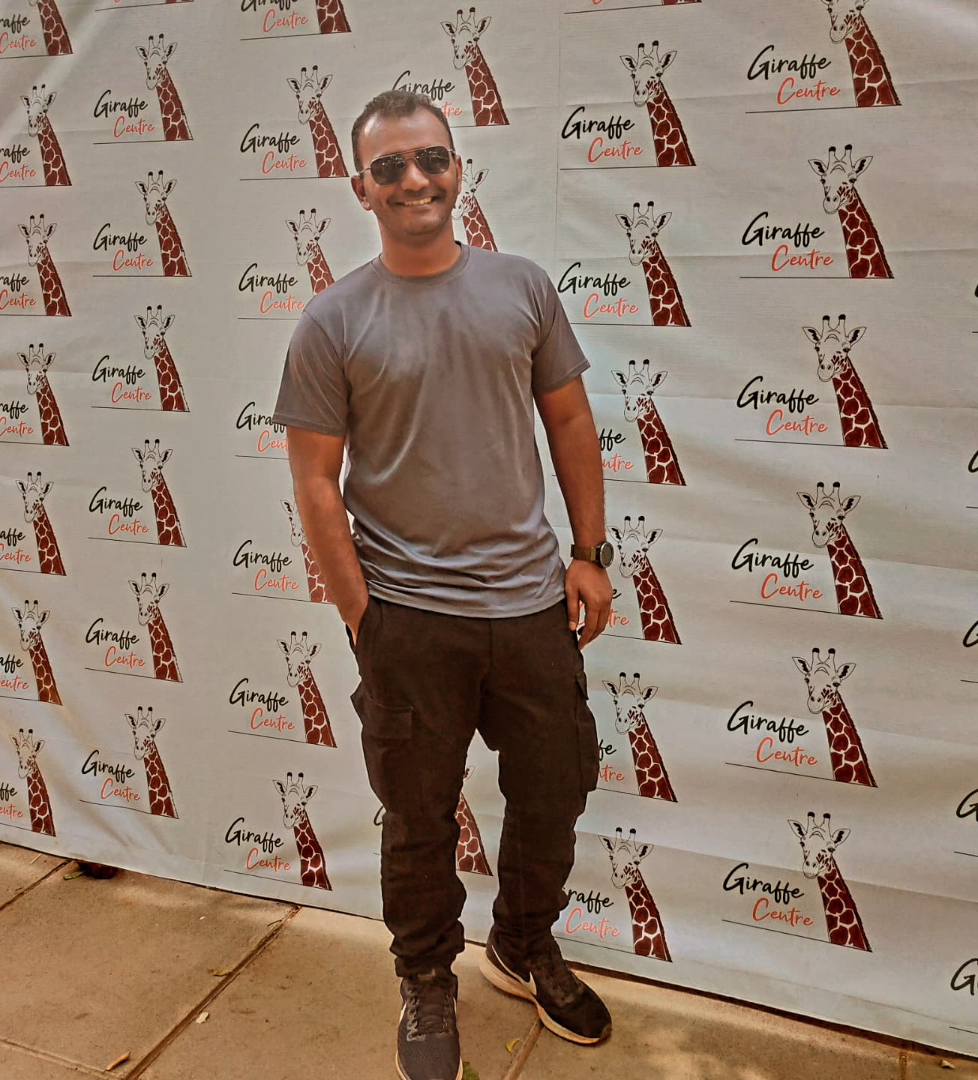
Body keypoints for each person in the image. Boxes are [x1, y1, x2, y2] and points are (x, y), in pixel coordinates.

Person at [273, 89, 616, 1080]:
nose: (414, 179)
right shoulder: (332, 319)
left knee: (555, 789)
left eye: (430, 158)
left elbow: (571, 423)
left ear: (459, 167)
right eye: (390, 167)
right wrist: (362, 617)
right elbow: (314, 481)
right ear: (360, 188)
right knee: (418, 817)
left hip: (533, 607)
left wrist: (590, 553)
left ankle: (524, 943)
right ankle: (426, 975)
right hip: (409, 620)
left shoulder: (523, 288)